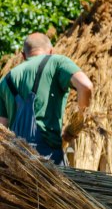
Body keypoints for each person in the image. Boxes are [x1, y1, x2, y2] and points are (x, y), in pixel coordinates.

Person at [0, 33, 94, 164]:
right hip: (49, 160)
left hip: (17, 162)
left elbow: (2, 130)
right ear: (51, 51)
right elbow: (86, 86)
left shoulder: (5, 80)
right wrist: (78, 121)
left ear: (23, 55)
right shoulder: (56, 62)